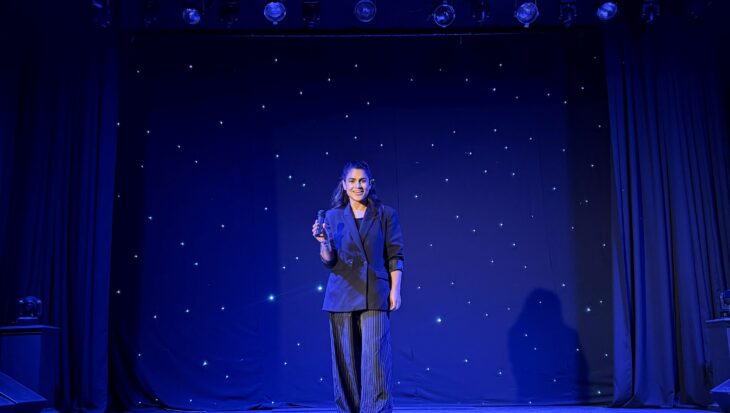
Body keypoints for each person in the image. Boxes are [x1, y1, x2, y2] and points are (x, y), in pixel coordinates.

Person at [311, 160, 405, 413]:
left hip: (375, 292)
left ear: (370, 183)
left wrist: (395, 290)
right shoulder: (332, 217)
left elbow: (395, 254)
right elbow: (330, 261)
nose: (357, 185)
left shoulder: (385, 214)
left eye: (362, 180)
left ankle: (376, 410)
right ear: (343, 185)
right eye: (351, 181)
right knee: (346, 363)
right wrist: (323, 243)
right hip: (341, 293)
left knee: (376, 361)